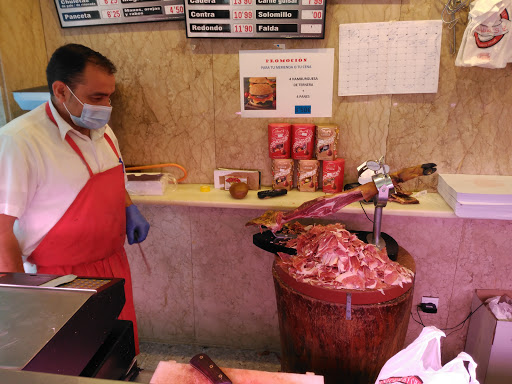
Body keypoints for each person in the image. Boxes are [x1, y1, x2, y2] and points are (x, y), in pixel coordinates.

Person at [0, 43, 149, 353]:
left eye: (109, 96)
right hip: (57, 281)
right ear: (61, 91)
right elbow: (1, 231)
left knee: (118, 353)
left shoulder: (103, 130)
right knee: (73, 361)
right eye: (96, 97)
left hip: (111, 266)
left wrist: (129, 207)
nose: (106, 106)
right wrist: (20, 298)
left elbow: (111, 176)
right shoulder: (19, 141)